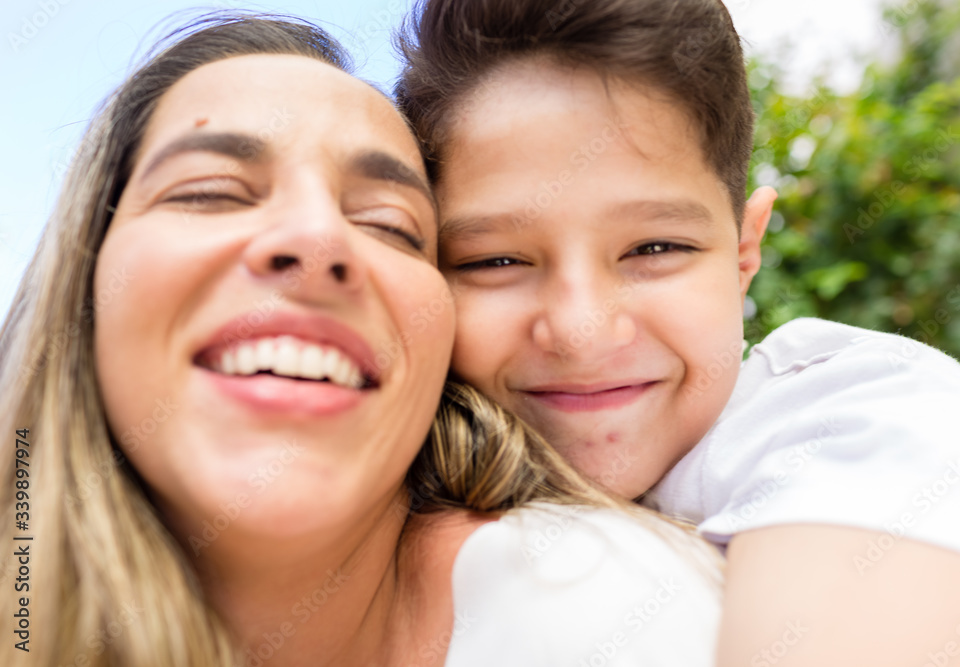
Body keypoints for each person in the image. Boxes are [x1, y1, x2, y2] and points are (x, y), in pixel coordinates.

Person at [0, 14, 722, 667]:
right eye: (210, 192)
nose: (318, 240)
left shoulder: (606, 609)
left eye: (389, 225)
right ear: (85, 276)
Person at [396, 0, 960, 664]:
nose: (581, 330)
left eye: (654, 247)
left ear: (745, 251)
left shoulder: (865, 417)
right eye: (496, 261)